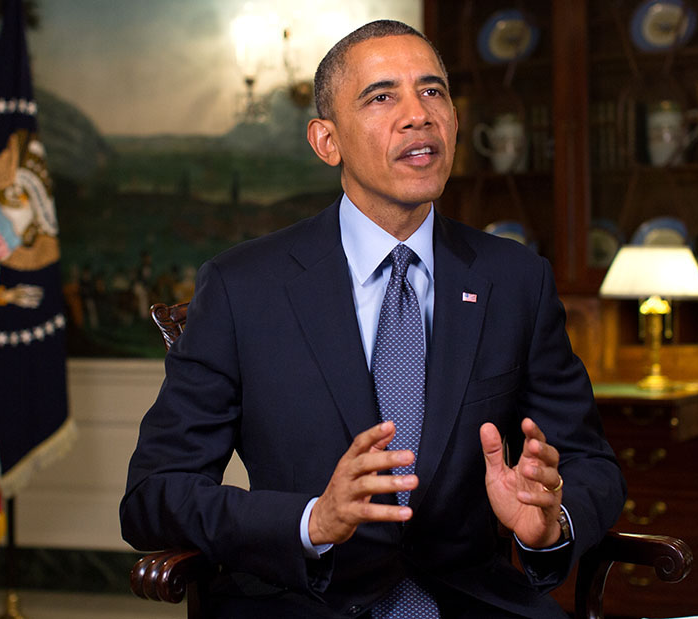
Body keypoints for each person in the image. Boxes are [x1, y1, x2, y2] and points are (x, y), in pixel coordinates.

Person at [121, 20, 625, 619]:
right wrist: (313, 519)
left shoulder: (516, 280)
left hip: (473, 603)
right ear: (326, 141)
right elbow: (153, 495)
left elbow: (591, 463)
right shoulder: (242, 288)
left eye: (433, 92)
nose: (419, 114)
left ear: (456, 123)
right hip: (303, 603)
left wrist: (550, 523)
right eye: (382, 96)